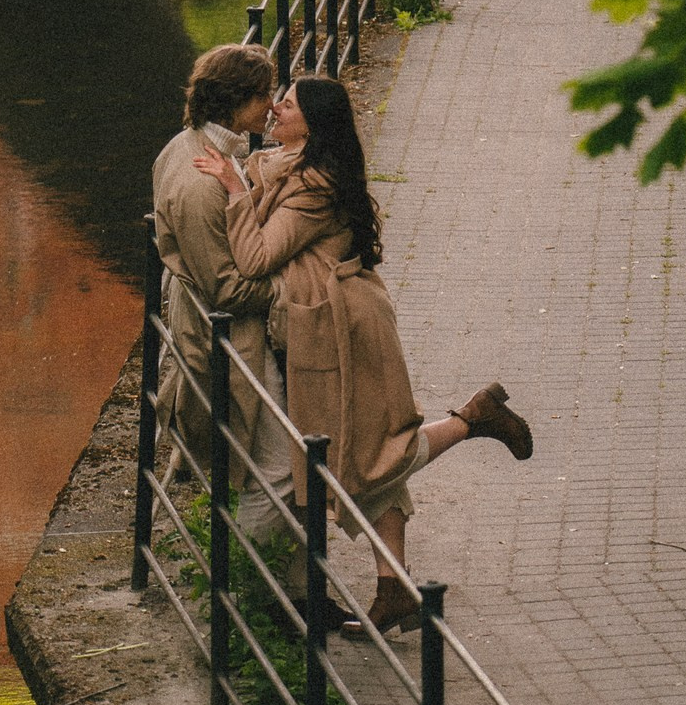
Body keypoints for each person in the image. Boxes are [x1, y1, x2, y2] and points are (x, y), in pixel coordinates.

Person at [193, 73, 532, 636]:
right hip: (322, 327)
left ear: (313, 123)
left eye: (290, 104)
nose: (276, 107)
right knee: (363, 448)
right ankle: (393, 586)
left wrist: (231, 188)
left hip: (341, 332)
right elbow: (262, 197)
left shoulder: (315, 184)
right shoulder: (284, 167)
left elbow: (254, 258)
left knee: (367, 455)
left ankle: (472, 420)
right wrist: (243, 178)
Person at [151, 43, 297, 549]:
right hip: (232, 347)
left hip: (227, 337)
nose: (273, 107)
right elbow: (226, 288)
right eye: (264, 97)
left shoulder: (185, 146)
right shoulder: (199, 182)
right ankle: (254, 586)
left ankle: (283, 587)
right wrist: (291, 287)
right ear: (237, 101)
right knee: (280, 470)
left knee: (278, 465)